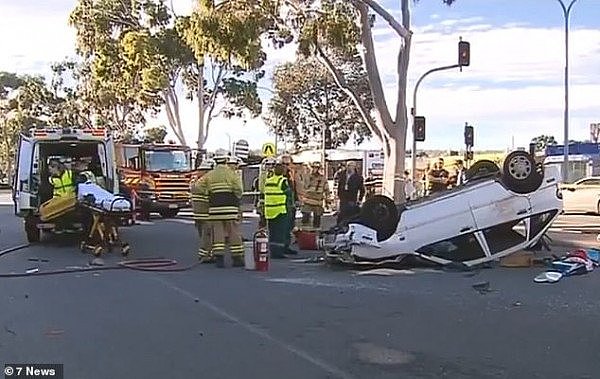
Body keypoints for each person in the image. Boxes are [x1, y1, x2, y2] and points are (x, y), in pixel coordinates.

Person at [203, 155, 244, 267]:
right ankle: (237, 258)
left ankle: (219, 258)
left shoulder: (210, 175)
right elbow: (239, 189)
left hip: (215, 208)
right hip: (230, 208)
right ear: (226, 160)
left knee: (218, 233)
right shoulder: (232, 174)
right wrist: (236, 197)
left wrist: (209, 196)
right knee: (233, 232)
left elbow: (202, 188)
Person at [264, 163, 293, 258]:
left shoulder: (269, 180)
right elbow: (288, 193)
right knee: (280, 232)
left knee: (272, 232)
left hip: (269, 210)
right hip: (280, 210)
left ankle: (273, 251)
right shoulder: (282, 181)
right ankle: (279, 252)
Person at [191, 160, 215, 263]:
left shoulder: (195, 180)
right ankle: (206, 255)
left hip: (197, 213)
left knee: (203, 235)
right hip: (205, 213)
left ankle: (203, 254)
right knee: (207, 235)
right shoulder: (206, 181)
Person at [301, 162, 330, 229]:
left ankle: (316, 233)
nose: (315, 170)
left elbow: (326, 190)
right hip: (307, 201)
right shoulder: (307, 177)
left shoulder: (323, 179)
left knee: (317, 218)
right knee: (305, 218)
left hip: (318, 202)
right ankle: (305, 233)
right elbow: (303, 187)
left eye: (317, 168)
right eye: (314, 168)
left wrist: (327, 201)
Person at [255, 157, 276, 228]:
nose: (270, 166)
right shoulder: (262, 174)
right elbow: (260, 187)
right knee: (262, 217)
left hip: (274, 198)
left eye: (272, 164)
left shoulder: (276, 174)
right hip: (264, 197)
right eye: (268, 164)